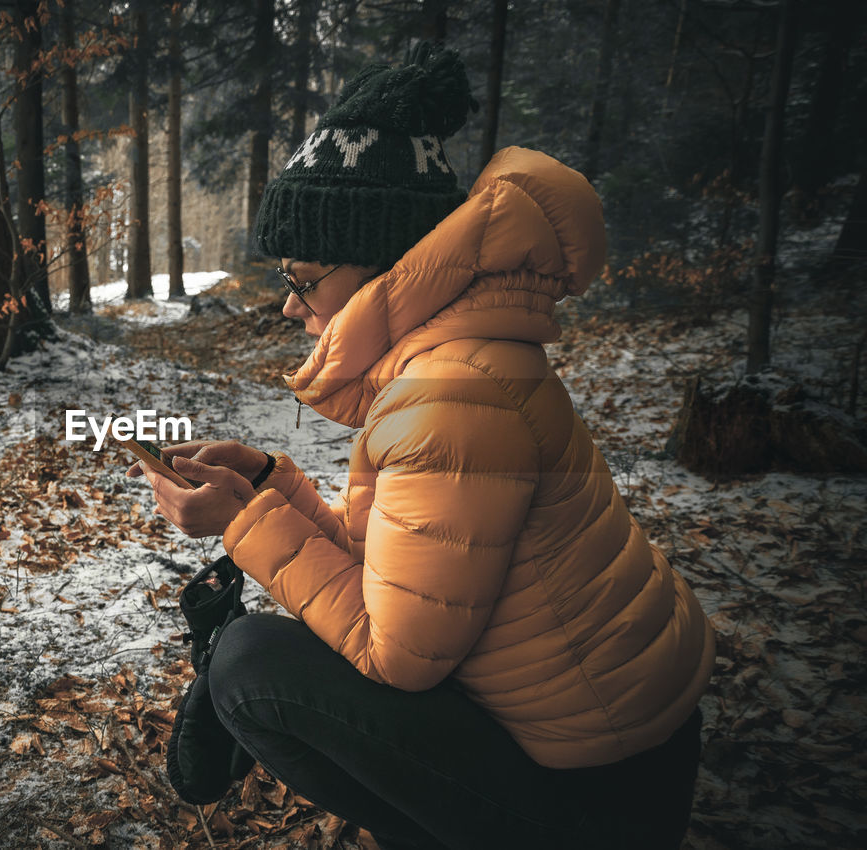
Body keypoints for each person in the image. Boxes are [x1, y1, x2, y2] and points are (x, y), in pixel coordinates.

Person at [131, 43, 715, 850]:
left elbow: (395, 653)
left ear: (385, 262)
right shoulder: (458, 361)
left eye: (302, 278)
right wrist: (268, 485)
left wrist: (240, 523)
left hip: (602, 801)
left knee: (248, 668)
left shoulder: (452, 396)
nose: (292, 307)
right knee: (259, 656)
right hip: (616, 743)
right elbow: (398, 574)